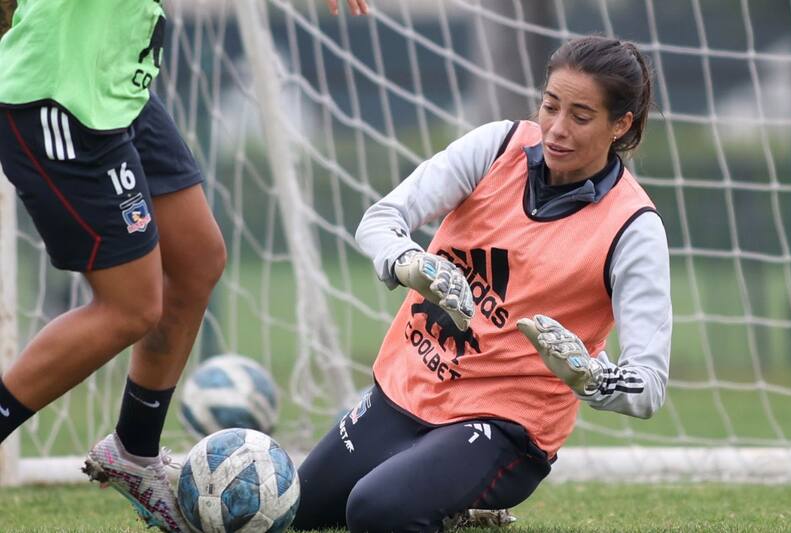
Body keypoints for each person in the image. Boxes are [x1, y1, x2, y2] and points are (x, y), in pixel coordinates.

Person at [0, 1, 368, 531]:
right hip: (62, 98)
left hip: (117, 84)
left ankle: (134, 450)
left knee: (197, 260)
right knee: (130, 308)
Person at [293, 35, 672, 532]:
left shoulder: (634, 228)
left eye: (580, 117)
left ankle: (447, 500)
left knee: (376, 509)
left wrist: (589, 376)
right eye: (550, 106)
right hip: (407, 389)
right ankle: (459, 512)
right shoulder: (497, 146)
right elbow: (381, 218)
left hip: (503, 425)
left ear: (620, 125)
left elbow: (649, 385)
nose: (556, 129)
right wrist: (408, 262)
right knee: (301, 512)